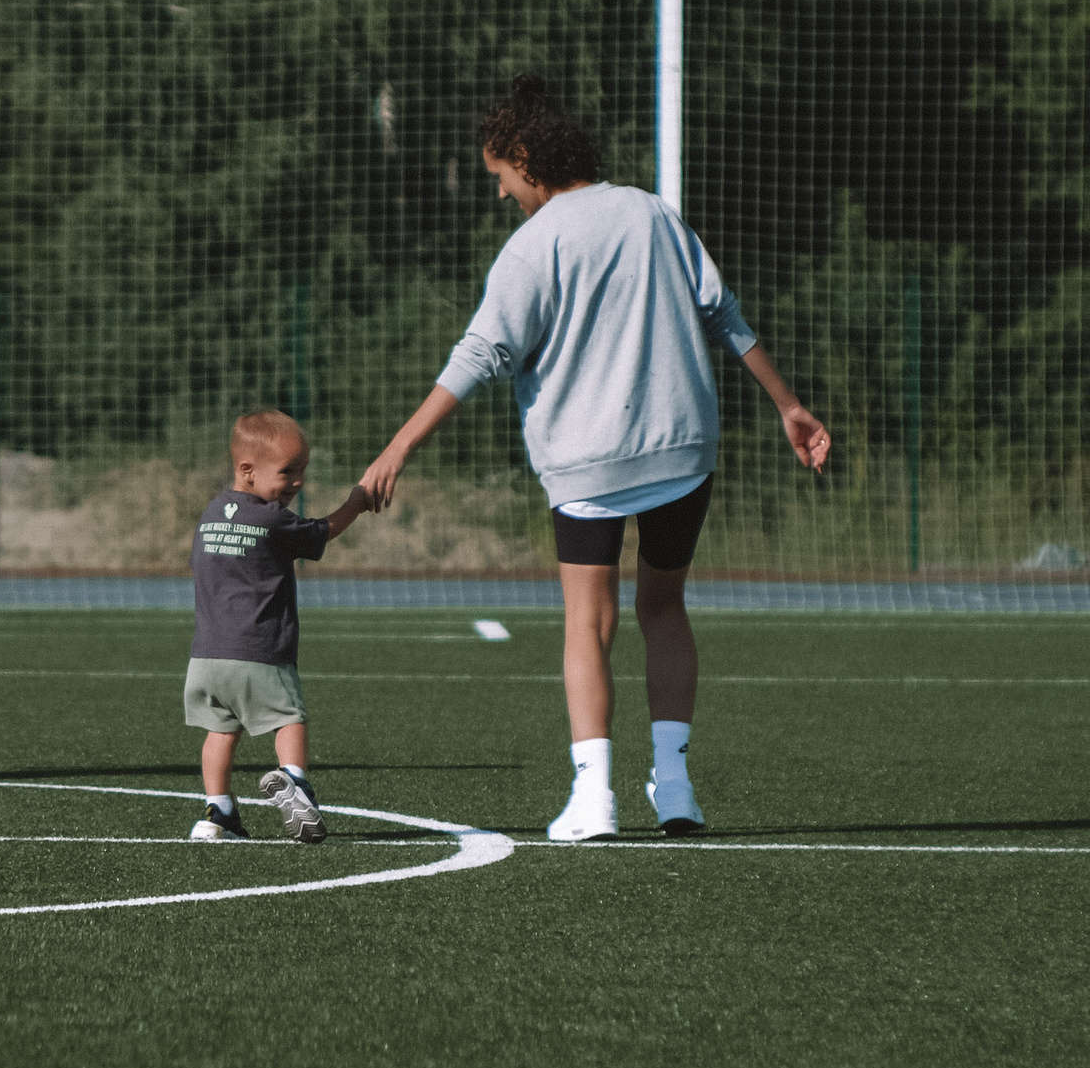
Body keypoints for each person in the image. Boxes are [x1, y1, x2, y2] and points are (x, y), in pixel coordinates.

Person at [358, 75, 831, 841]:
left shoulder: (534, 243)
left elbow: (480, 352)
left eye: (501, 178)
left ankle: (594, 796)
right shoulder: (652, 211)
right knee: (664, 608)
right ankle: (675, 786)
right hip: (683, 449)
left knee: (590, 620)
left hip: (588, 462)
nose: (502, 194)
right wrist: (788, 404)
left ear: (525, 161)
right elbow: (724, 312)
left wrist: (400, 444)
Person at [186, 408, 373, 844]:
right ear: (247, 471)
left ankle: (218, 813)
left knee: (220, 731)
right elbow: (323, 532)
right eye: (288, 472)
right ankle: (295, 781)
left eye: (302, 471)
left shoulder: (210, 514)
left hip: (205, 657)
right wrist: (357, 502)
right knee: (290, 717)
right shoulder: (271, 518)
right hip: (259, 651)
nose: (297, 483)